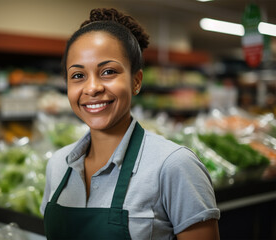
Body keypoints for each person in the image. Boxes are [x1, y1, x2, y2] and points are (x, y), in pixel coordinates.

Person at [40, 8, 220, 240]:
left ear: (136, 81)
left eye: (108, 71)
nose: (92, 87)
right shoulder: (57, 165)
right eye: (77, 76)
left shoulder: (174, 165)